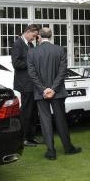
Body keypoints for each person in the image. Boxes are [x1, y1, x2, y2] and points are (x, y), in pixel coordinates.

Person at [27, 27, 81, 160]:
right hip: (56, 92)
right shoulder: (59, 50)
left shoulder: (32, 52)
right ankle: (68, 148)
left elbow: (32, 74)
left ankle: (51, 151)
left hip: (42, 93)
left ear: (39, 36)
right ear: (51, 36)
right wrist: (53, 89)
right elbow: (63, 72)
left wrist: (44, 89)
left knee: (45, 121)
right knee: (61, 119)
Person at [10, 24, 41, 147]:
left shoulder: (32, 45)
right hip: (24, 84)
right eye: (33, 35)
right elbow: (16, 64)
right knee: (26, 112)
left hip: (33, 84)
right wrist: (31, 62)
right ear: (28, 32)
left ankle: (31, 137)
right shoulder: (18, 44)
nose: (34, 38)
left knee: (34, 111)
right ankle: (23, 138)